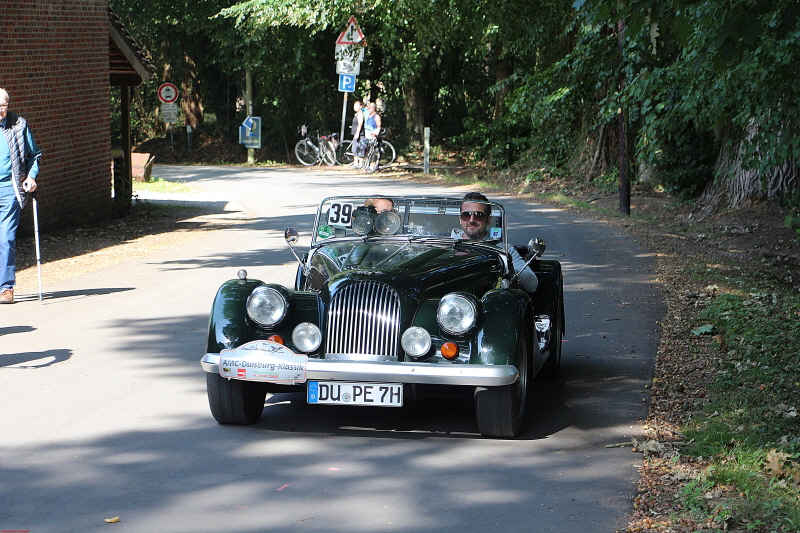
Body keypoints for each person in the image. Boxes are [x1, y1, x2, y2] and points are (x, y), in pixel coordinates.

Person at [0, 88, 42, 304]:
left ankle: (6, 288)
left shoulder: (18, 125)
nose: (1, 111)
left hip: (9, 188)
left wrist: (31, 176)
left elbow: (34, 155)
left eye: (4, 106)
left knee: (6, 236)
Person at [460, 192, 538, 293]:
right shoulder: (442, 244)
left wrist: (507, 268)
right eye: (466, 215)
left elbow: (532, 284)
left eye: (478, 215)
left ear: (488, 219)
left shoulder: (502, 248)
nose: (472, 220)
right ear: (460, 219)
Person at [350, 100, 366, 169]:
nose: (355, 107)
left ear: (360, 106)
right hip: (356, 134)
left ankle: (360, 163)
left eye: (356, 106)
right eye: (354, 106)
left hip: (360, 134)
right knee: (355, 148)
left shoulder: (360, 114)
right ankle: (356, 163)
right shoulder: (356, 114)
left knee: (361, 148)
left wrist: (357, 133)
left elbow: (360, 124)